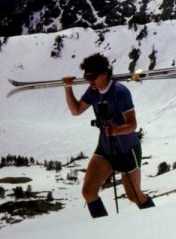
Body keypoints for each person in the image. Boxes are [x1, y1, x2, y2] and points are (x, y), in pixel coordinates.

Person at [63, 53, 155, 217]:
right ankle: (102, 230)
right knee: (88, 192)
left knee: (134, 196)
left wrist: (116, 130)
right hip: (106, 149)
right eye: (86, 77)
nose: (90, 81)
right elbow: (76, 110)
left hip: (127, 149)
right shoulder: (93, 91)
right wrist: (68, 87)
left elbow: (132, 125)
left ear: (104, 74)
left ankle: (156, 219)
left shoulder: (119, 92)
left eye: (93, 77)